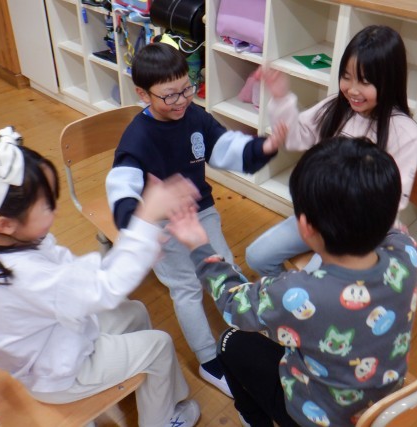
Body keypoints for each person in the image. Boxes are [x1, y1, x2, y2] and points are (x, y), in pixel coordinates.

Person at [0, 127, 202, 427]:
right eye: (47, 205)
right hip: (60, 373)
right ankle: (161, 421)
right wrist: (144, 224)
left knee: (134, 312)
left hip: (50, 346)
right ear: (4, 224)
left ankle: (145, 388)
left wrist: (135, 248)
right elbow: (104, 288)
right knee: (160, 345)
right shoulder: (28, 275)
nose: (55, 211)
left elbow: (77, 279)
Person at [168, 136, 417, 426]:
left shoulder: (299, 293)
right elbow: (396, 231)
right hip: (384, 406)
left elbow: (232, 302)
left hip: (316, 417)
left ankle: (253, 419)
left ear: (305, 226)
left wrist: (199, 246)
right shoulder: (407, 253)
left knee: (229, 342)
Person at [105, 42, 286, 397]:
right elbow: (122, 186)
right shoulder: (136, 137)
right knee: (186, 287)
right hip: (163, 221)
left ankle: (247, 330)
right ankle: (208, 359)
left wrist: (262, 147)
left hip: (201, 210)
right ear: (143, 94)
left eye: (186, 89)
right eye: (169, 96)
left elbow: (225, 147)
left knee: (224, 266)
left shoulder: (195, 115)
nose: (181, 101)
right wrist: (139, 224)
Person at [246, 25, 417, 277]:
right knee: (256, 256)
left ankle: (302, 295)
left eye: (365, 81)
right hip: (319, 216)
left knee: (318, 281)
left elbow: (394, 199)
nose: (352, 89)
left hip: (360, 232)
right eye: (346, 77)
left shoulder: (404, 132)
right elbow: (294, 139)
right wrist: (282, 99)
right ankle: (293, 295)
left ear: (390, 81)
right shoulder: (335, 107)